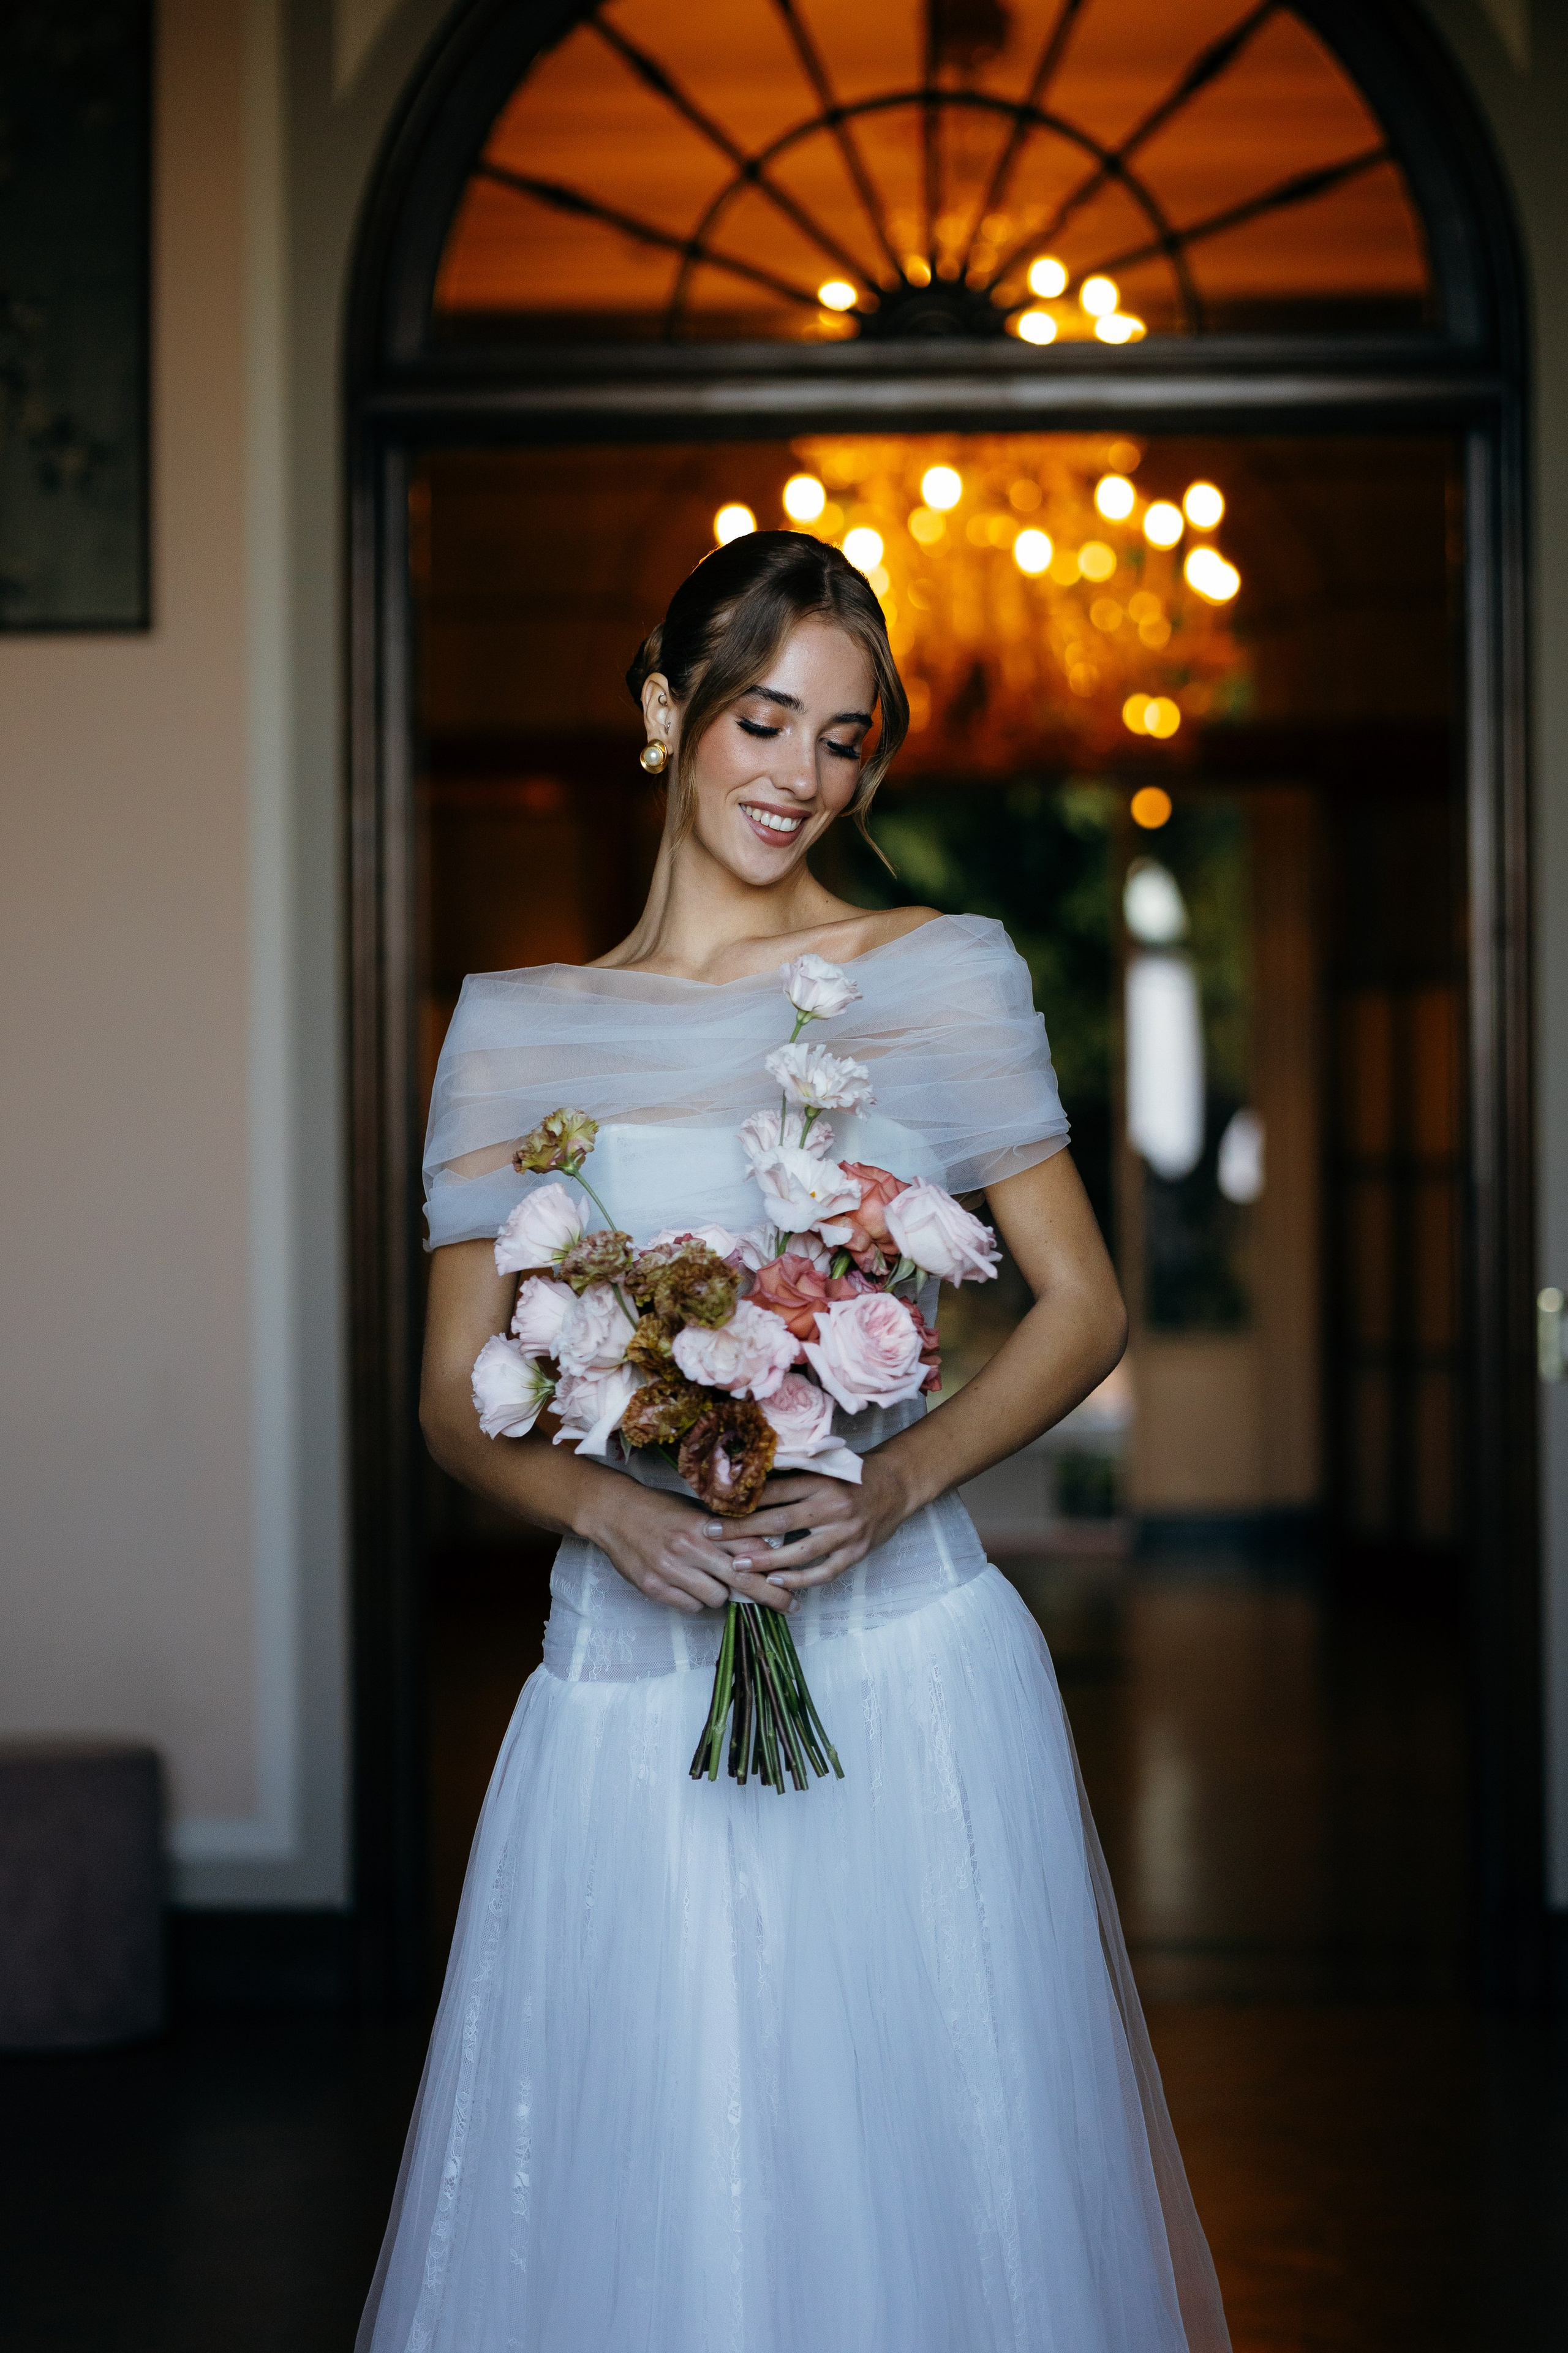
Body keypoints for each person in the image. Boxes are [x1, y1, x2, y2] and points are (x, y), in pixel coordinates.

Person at [358, 531, 1231, 2353]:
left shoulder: (936, 973)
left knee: (929, 2179)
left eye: (844, 739)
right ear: (666, 709)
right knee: (653, 2180)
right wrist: (605, 1508)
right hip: (628, 1681)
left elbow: (1083, 1305)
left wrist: (896, 1478)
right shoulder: (515, 1032)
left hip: (906, 1664)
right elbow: (450, 1396)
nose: (800, 777)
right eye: (764, 720)